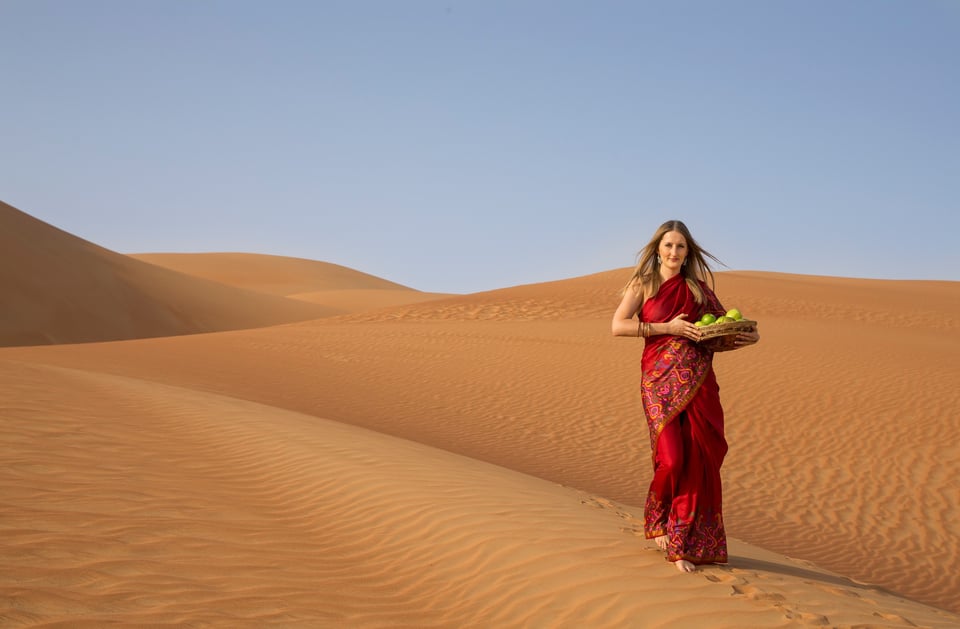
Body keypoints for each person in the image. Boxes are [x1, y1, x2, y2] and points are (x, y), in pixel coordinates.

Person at [611, 219, 759, 573]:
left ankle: (683, 542)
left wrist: (746, 338)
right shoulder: (643, 283)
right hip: (658, 382)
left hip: (699, 384)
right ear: (657, 249)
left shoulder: (698, 289)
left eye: (680, 246)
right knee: (673, 459)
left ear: (687, 251)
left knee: (699, 459)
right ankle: (660, 517)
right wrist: (668, 328)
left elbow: (718, 329)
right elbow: (618, 325)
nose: (674, 252)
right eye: (668, 246)